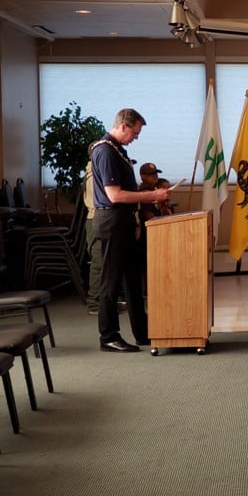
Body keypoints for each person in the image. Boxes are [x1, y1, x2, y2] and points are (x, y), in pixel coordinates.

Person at [91, 109, 170, 353]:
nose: (136, 137)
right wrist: (151, 195)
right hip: (112, 219)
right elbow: (114, 195)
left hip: (124, 220)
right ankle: (108, 336)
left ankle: (142, 332)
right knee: (111, 281)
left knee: (133, 280)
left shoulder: (118, 150)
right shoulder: (105, 150)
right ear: (123, 126)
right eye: (135, 132)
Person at [83, 143, 127, 317]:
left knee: (105, 262)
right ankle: (95, 303)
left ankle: (106, 300)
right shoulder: (94, 175)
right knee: (99, 262)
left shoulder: (94, 171)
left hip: (99, 220)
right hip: (96, 220)